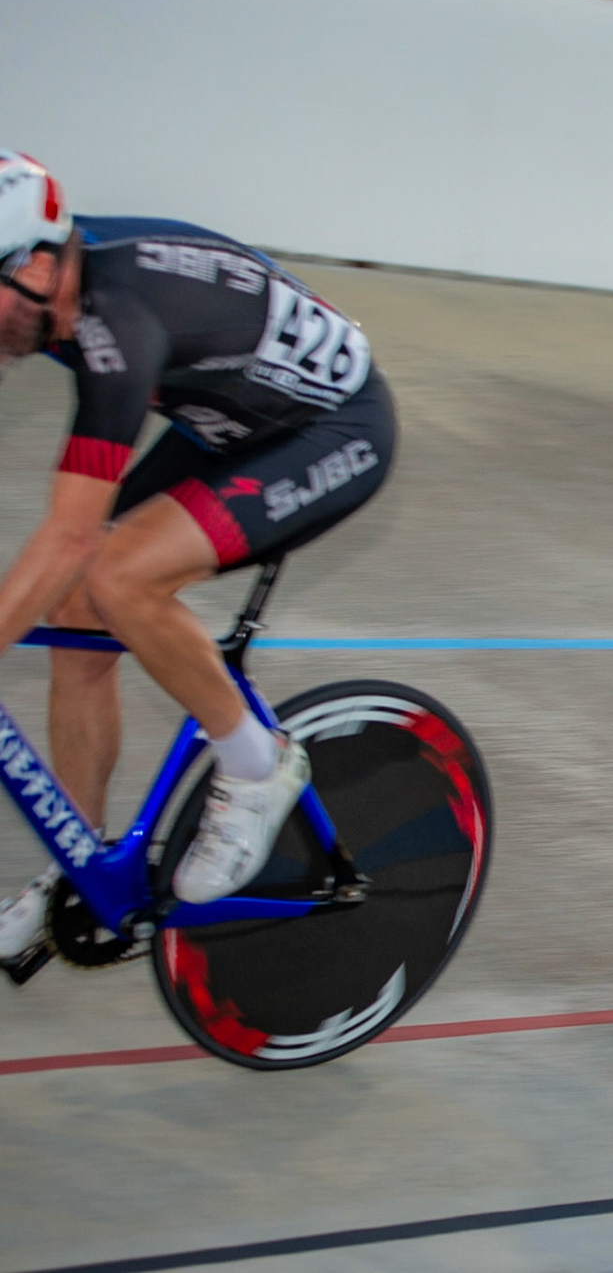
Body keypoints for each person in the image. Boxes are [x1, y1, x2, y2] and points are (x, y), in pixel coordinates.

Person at [0, 151, 397, 968]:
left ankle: (258, 762)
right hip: (229, 419)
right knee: (73, 606)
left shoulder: (118, 320)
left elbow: (70, 533)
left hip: (332, 429)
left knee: (114, 574)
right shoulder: (50, 285)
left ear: (35, 268)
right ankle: (81, 860)